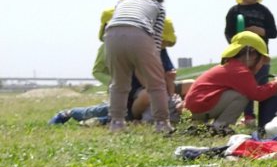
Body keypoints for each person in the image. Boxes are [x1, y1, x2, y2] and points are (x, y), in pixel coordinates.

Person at [53, 17, 182, 125]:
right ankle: (69, 113)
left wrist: (169, 91)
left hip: (150, 89)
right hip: (128, 91)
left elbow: (169, 73)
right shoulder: (120, 48)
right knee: (101, 110)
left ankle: (109, 120)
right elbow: (98, 71)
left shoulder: (160, 50)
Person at [104, 0, 174, 133]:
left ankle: (116, 122)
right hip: (139, 33)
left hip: (111, 34)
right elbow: (156, 37)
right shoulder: (157, 6)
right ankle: (162, 123)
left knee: (119, 83)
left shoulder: (121, 3)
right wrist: (151, 62)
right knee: (156, 83)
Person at [183, 31, 277, 133]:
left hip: (194, 107)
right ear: (251, 54)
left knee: (239, 93)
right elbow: (257, 94)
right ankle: (220, 126)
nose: (262, 65)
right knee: (242, 95)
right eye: (262, 59)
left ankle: (204, 125)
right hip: (200, 106)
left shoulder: (232, 65)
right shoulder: (240, 71)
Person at [225, 0, 277, 131]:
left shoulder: (264, 11)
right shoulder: (234, 12)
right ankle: (248, 116)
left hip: (261, 57)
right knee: (245, 87)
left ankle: (266, 116)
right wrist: (237, 42)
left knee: (262, 84)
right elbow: (228, 33)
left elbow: (274, 32)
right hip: (241, 58)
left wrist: (261, 31)